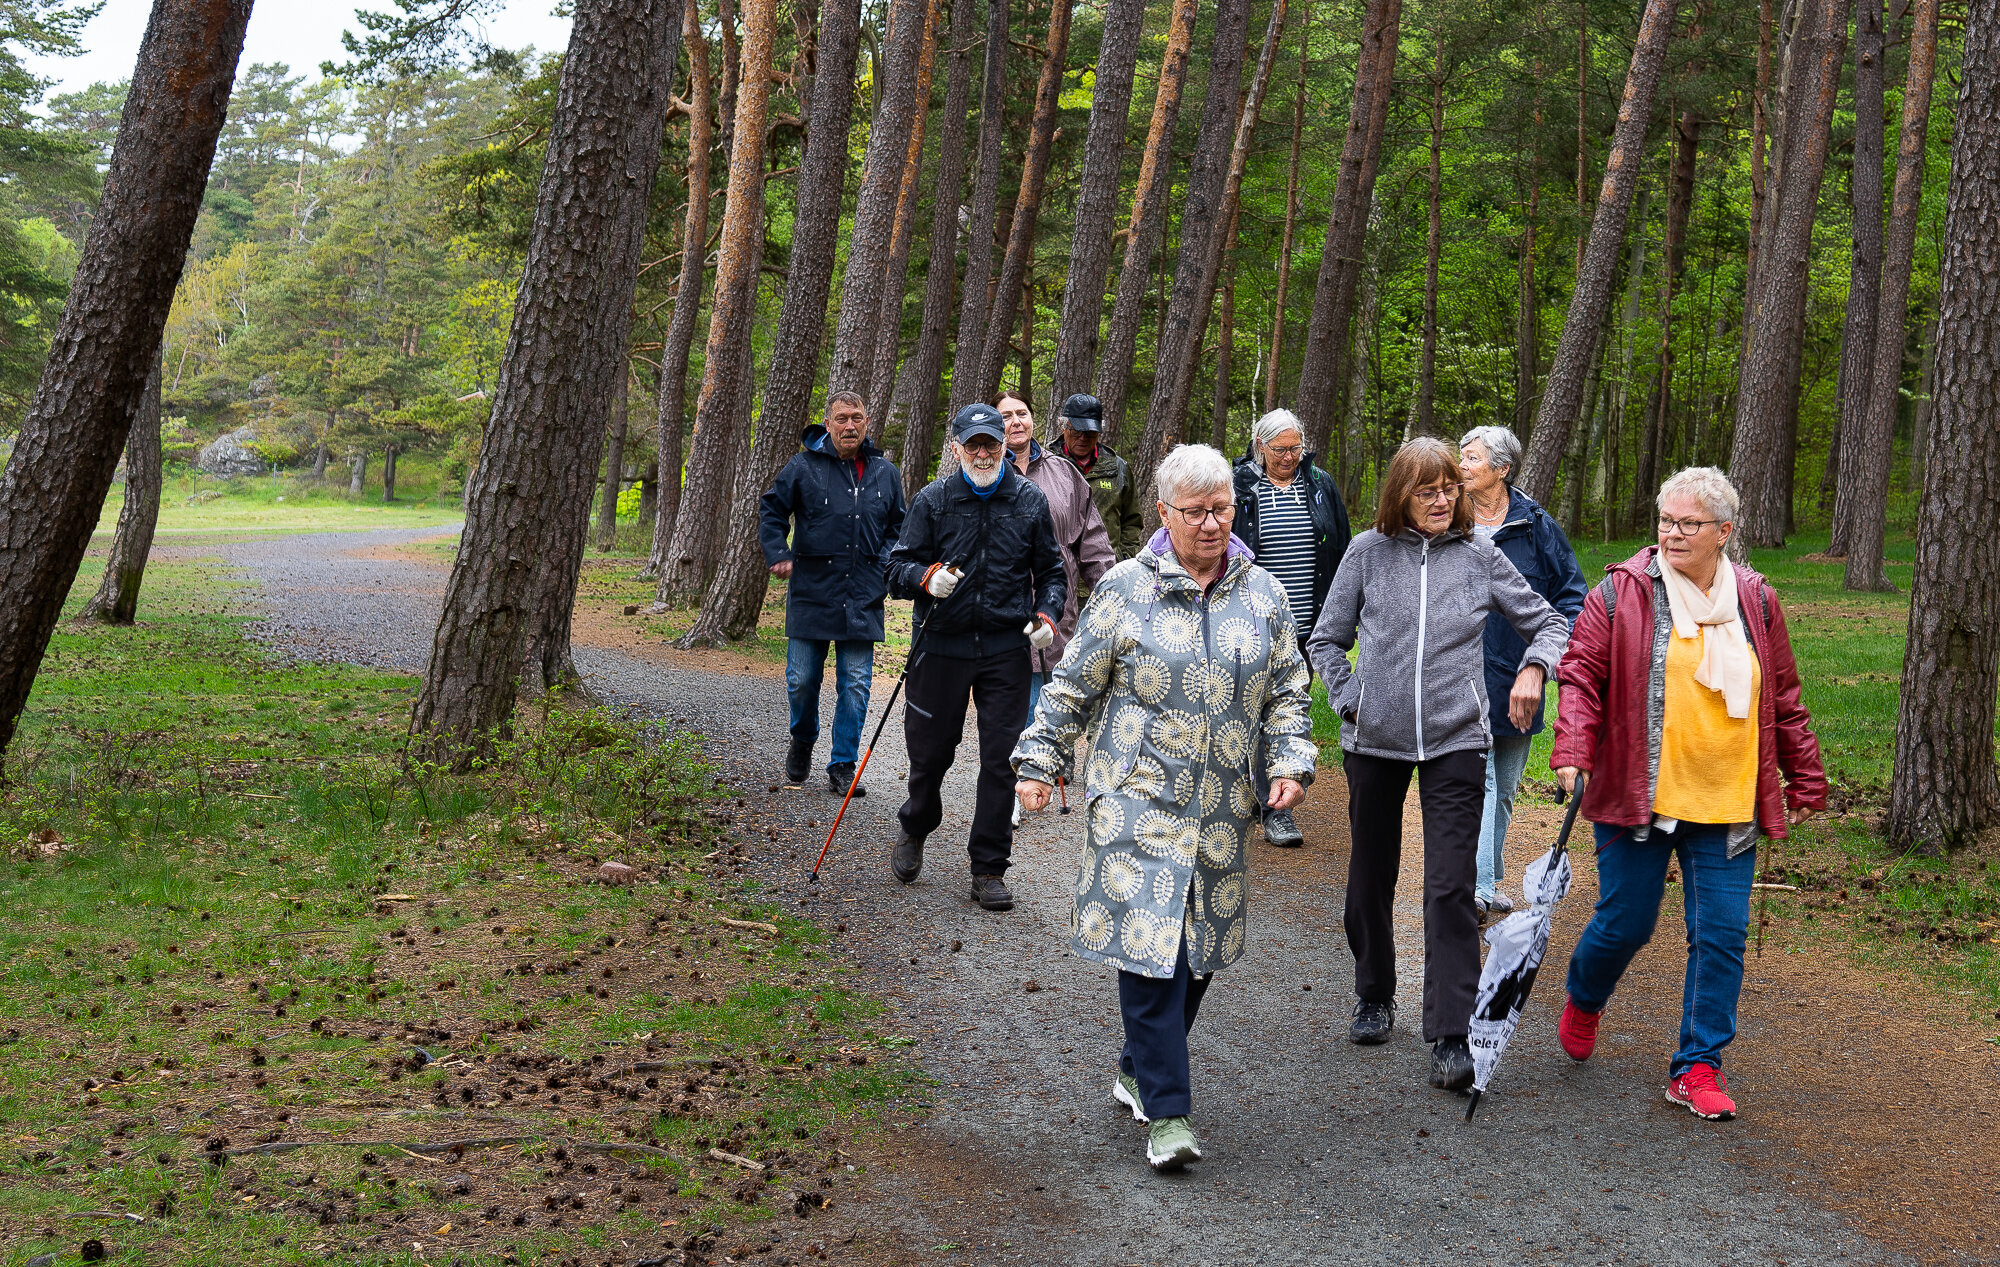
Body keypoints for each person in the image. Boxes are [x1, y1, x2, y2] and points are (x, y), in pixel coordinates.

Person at [1012, 443, 1314, 1173]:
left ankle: (1136, 1066)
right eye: (1196, 511)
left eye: (1222, 508)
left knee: (1197, 955)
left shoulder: (1263, 594)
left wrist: (1290, 761)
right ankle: (1169, 1113)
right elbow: (1072, 685)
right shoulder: (1123, 587)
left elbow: (1287, 690)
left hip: (1217, 806)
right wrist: (1038, 761)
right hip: (1136, 800)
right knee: (1151, 955)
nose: (1212, 523)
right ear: (1164, 512)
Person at [1551, 467, 1825, 1122]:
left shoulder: (1756, 599)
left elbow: (1782, 695)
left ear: (1724, 532)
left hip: (1727, 796)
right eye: (1666, 520)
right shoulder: (1620, 592)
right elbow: (1582, 673)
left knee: (1723, 934)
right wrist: (1571, 750)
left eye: (1688, 523)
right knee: (1627, 922)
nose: (1672, 533)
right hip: (1640, 793)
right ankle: (1585, 996)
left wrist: (1805, 772)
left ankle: (1698, 1065)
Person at [1306, 437, 1567, 1093]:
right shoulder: (1367, 553)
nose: (1442, 500)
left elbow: (1549, 622)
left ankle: (1451, 1032)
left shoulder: (1481, 555)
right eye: (1427, 490)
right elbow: (1326, 639)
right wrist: (1349, 698)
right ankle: (1374, 992)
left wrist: (1536, 667)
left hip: (1457, 739)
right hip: (1375, 741)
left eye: (1449, 487)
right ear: (1401, 494)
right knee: (1369, 879)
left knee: (1452, 887)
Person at [886, 402, 1066, 912]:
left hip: (1005, 649)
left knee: (1001, 760)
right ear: (956, 450)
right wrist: (925, 578)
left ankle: (988, 867)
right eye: (974, 445)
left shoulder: (1029, 501)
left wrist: (1046, 617)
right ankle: (916, 824)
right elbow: (896, 567)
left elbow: (1053, 574)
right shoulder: (934, 500)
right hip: (940, 646)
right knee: (930, 753)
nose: (984, 453)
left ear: (1003, 446)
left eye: (992, 444)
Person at [1457, 425, 1587, 918]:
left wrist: (1545, 660)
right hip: (1463, 677)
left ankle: (1486, 877)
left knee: (1505, 786)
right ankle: (1478, 887)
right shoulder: (1448, 518)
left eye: (1471, 458)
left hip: (1519, 677)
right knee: (1482, 781)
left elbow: (1571, 597)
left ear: (1501, 469)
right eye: (1461, 457)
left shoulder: (1536, 526)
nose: (1462, 466)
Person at [759, 390, 906, 795]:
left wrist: (887, 561)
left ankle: (843, 764)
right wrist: (778, 552)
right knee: (801, 679)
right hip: (812, 592)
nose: (849, 425)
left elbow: (899, 527)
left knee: (856, 685)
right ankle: (803, 737)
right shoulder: (803, 466)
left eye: (856, 417)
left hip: (863, 595)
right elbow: (772, 510)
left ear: (866, 423)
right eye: (841, 418)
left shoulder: (885, 473)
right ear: (828, 424)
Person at [1230, 408, 1352, 848]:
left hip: (1307, 624)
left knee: (1288, 713)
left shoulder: (1319, 485)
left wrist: (1341, 615)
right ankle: (1246, 796)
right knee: (1247, 711)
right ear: (1260, 447)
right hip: (1249, 622)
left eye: (1296, 448)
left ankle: (1278, 809)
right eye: (1280, 449)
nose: (1289, 457)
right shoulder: (1240, 486)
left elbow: (1340, 548)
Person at [998, 388, 1115, 719]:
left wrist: (1114, 597)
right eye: (1005, 416)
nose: (1016, 422)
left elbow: (1094, 545)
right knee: (1007, 715)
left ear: (1033, 419)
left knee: (1048, 709)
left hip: (1054, 614)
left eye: (1021, 413)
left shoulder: (1065, 474)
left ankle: (1048, 771)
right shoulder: (983, 475)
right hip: (1000, 618)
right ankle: (1014, 770)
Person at [1053, 393, 1146, 561]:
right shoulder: (1046, 464)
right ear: (1063, 427)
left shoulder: (1119, 469)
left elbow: (1132, 521)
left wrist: (1123, 558)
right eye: (1076, 431)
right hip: (1057, 572)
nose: (1083, 438)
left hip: (1106, 571)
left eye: (1090, 432)